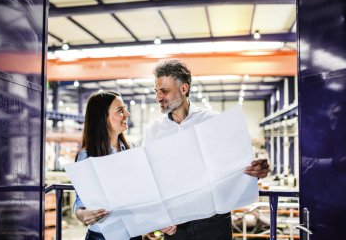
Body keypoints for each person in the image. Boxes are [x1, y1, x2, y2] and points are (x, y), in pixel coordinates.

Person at [143, 59, 270, 240]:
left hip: (214, 222)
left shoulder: (213, 122)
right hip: (176, 225)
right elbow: (150, 179)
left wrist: (258, 169)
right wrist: (159, 218)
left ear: (184, 89)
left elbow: (238, 165)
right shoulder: (153, 132)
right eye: (156, 91)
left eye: (164, 91)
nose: (158, 97)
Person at [73, 91, 141, 240]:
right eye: (120, 110)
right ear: (103, 118)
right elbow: (80, 202)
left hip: (133, 234)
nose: (127, 114)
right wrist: (83, 215)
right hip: (101, 236)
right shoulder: (86, 156)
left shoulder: (133, 150)